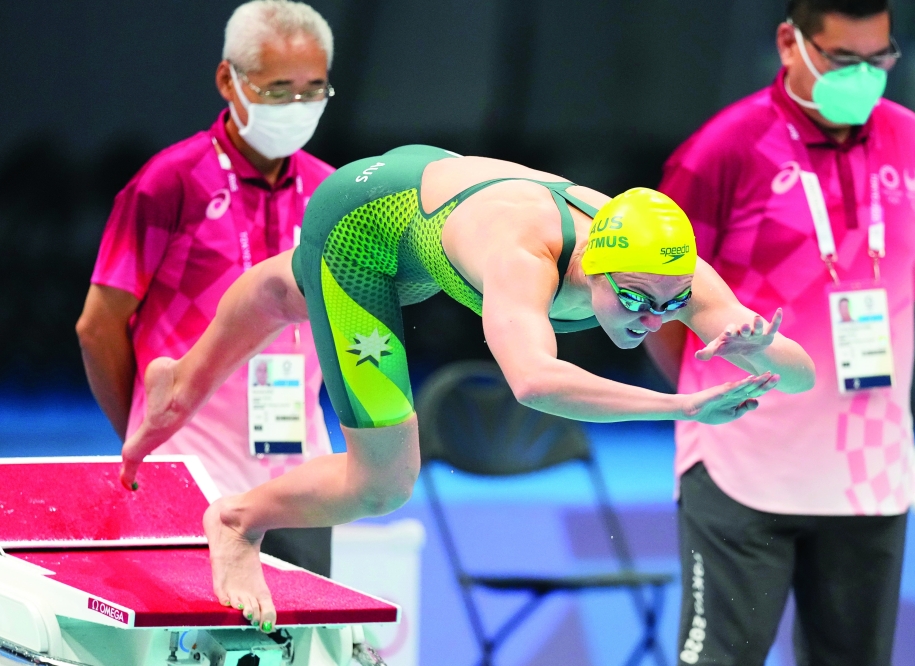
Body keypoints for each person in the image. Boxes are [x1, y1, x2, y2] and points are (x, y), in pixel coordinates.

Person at [119, 147, 817, 632]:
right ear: (594, 268)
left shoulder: (664, 270)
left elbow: (801, 373)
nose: (652, 320)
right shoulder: (523, 256)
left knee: (292, 291)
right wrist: (681, 406)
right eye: (634, 300)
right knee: (382, 483)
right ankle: (238, 521)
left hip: (427, 202)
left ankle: (180, 379)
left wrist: (760, 346)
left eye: (672, 305)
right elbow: (534, 382)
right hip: (362, 225)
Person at [646, 1, 915, 664]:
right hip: (741, 468)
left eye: (879, 59)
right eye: (844, 59)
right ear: (790, 42)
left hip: (868, 475)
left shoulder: (912, 141)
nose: (864, 77)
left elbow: (914, 290)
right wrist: (714, 397)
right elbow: (655, 306)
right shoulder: (722, 150)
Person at [75, 0, 337, 576]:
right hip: (188, 477)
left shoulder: (332, 194)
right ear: (228, 80)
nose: (297, 106)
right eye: (278, 90)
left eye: (313, 89)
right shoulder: (168, 183)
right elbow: (97, 327)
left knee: (307, 631)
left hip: (300, 483)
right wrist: (148, 429)